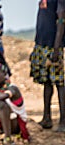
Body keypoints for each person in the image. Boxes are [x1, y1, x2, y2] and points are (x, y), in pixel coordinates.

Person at [30, 0, 65, 132]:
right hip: (41, 44)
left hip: (52, 46)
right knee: (46, 82)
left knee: (60, 83)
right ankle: (47, 117)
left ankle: (63, 121)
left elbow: (62, 19)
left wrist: (56, 47)